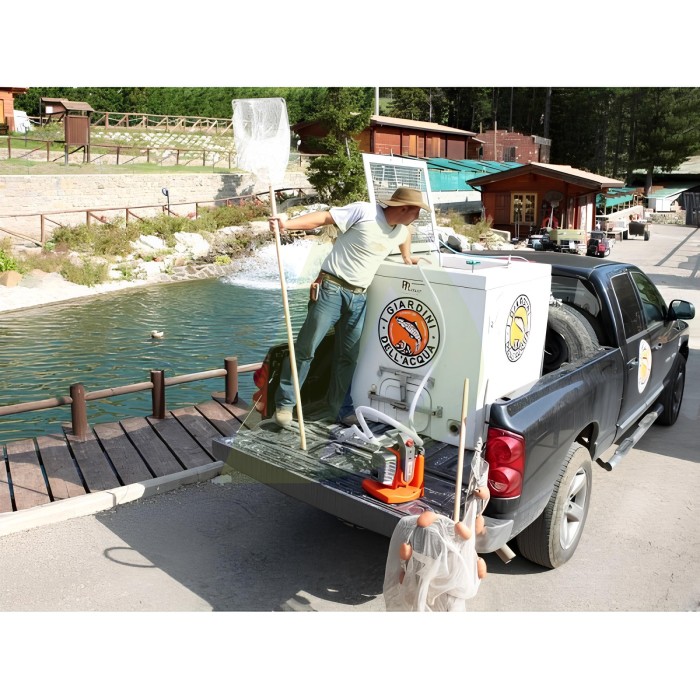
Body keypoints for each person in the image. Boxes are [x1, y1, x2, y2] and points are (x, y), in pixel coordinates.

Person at [268, 186, 429, 427]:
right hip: (331, 289)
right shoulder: (365, 211)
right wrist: (286, 224)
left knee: (348, 357)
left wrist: (407, 256)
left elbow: (405, 236)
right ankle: (285, 405)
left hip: (359, 297)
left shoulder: (401, 230)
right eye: (417, 211)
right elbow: (324, 218)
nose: (418, 216)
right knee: (306, 349)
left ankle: (339, 410)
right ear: (404, 208)